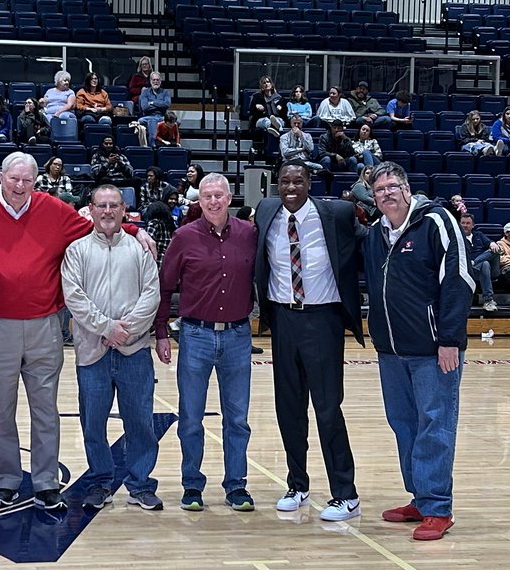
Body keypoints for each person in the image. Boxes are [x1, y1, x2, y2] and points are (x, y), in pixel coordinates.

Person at [0, 149, 149, 512]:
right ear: (0, 177)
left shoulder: (53, 208)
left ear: (36, 182)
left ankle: (47, 483)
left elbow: (98, 225)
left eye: (27, 180)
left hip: (45, 326)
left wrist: (134, 230)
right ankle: (4, 482)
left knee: (45, 408)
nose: (20, 186)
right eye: (13, 178)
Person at [363, 161, 472, 542]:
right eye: (379, 190)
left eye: (393, 186)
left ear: (407, 189)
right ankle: (421, 498)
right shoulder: (376, 233)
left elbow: (460, 280)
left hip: (433, 350)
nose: (387, 194)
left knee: (435, 424)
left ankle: (438, 507)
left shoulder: (436, 222)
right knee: (404, 424)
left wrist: (449, 340)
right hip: (391, 351)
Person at [256, 162, 364, 521]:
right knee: (288, 408)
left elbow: (373, 239)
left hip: (323, 319)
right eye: (284, 181)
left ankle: (345, 494)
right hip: (283, 319)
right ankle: (297, 484)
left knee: (328, 408)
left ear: (309, 183)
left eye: (297, 180)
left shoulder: (338, 213)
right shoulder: (267, 211)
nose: (290, 186)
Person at [155, 172, 257, 513]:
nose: (213, 201)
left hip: (238, 336)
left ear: (230, 198)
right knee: (190, 417)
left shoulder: (249, 234)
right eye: (206, 196)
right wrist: (160, 333)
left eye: (219, 195)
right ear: (198, 201)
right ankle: (191, 485)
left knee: (237, 418)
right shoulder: (184, 237)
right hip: (195, 335)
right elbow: (165, 287)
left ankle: (236, 486)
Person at [62, 184, 163, 512]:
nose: (107, 211)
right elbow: (74, 297)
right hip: (93, 352)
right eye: (101, 205)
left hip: (134, 352)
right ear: (90, 209)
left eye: (114, 206)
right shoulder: (76, 250)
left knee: (140, 421)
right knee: (93, 422)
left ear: (124, 211)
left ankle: (141, 484)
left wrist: (125, 331)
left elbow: (152, 294)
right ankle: (101, 481)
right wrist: (107, 328)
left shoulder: (138, 249)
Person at [459, 212, 499, 313]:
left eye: (468, 223)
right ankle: (488, 300)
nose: (465, 225)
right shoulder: (457, 238)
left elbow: (490, 244)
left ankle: (475, 262)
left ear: (473, 225)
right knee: (484, 264)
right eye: (463, 223)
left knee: (496, 251)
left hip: (485, 268)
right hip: (467, 270)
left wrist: (492, 243)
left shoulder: (478, 235)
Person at [137, 70, 172, 143]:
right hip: (148, 116)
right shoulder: (145, 92)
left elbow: (167, 104)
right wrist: (160, 104)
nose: (156, 82)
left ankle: (172, 145)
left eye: (157, 80)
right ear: (150, 81)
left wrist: (152, 103)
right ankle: (153, 145)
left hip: (162, 116)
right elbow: (145, 107)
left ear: (160, 81)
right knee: (153, 120)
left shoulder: (165, 92)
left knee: (176, 121)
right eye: (154, 80)